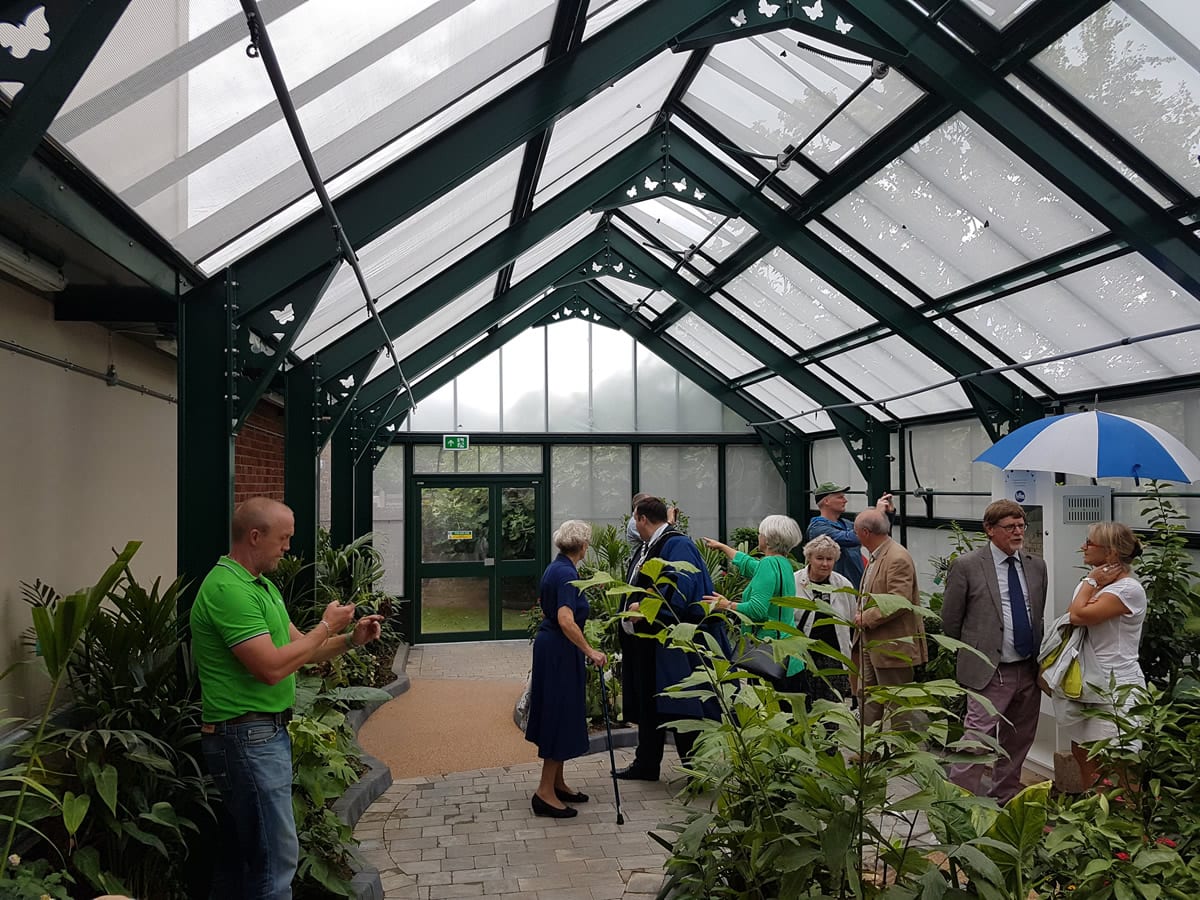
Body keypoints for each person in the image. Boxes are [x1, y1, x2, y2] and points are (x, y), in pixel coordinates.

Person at [190, 497, 384, 899]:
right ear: (255, 536)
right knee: (275, 860)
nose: (288, 548)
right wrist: (326, 625)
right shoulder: (227, 589)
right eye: (284, 538)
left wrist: (350, 639)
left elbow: (302, 651)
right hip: (245, 738)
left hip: (259, 736)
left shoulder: (261, 587)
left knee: (248, 857)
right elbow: (271, 668)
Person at [617, 496, 732, 780]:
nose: (633, 524)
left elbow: (682, 590)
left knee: (683, 705)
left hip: (674, 643)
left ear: (642, 518)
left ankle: (695, 771)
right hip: (651, 643)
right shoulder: (652, 545)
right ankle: (646, 763)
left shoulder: (676, 544)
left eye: (635, 518)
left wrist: (643, 608)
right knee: (650, 705)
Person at [941, 500, 1048, 803]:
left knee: (1019, 738)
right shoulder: (967, 565)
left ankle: (1005, 797)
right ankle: (957, 805)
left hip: (1027, 668)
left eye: (1021, 526)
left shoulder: (1036, 565)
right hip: (990, 669)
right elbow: (951, 620)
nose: (1017, 532)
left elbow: (1035, 614)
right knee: (976, 739)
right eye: (1009, 527)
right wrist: (976, 651)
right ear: (989, 530)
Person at [524, 520, 607, 818]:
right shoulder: (567, 575)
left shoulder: (556, 567)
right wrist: (591, 651)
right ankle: (544, 793)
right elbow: (565, 619)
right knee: (558, 714)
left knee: (558, 710)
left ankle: (557, 783)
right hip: (559, 650)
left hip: (553, 648)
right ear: (583, 546)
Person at [1058, 522, 1146, 788]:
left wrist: (1092, 581)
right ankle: (1094, 820)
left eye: (1089, 543)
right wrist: (1092, 582)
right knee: (1083, 754)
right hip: (1087, 682)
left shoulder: (1128, 590)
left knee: (1115, 764)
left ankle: (1126, 825)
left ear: (1110, 554)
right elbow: (1075, 612)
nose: (1083, 547)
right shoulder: (1094, 583)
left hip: (1116, 687)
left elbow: (1078, 615)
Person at [701, 515, 803, 687]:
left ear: (769, 539)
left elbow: (757, 610)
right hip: (788, 652)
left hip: (769, 656)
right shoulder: (783, 563)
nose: (758, 536)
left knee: (768, 709)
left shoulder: (768, 564)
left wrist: (727, 605)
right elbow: (750, 566)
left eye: (760, 533)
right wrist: (722, 547)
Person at [854, 509, 927, 726]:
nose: (855, 535)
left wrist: (865, 618)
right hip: (872, 642)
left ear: (865, 532)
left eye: (856, 531)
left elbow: (899, 602)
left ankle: (898, 755)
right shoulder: (879, 554)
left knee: (896, 703)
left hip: (893, 646)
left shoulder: (897, 557)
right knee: (867, 697)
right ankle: (868, 752)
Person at [793, 534, 856, 701]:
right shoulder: (794, 582)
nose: (825, 563)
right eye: (819, 558)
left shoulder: (843, 585)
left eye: (830, 559)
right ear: (809, 558)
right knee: (803, 704)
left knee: (832, 707)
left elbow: (851, 620)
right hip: (803, 655)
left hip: (834, 657)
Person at [807, 482, 895, 587]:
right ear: (826, 501)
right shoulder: (818, 529)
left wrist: (887, 513)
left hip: (856, 585)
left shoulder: (847, 524)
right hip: (836, 589)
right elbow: (853, 538)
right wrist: (877, 514)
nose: (845, 500)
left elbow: (875, 532)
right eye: (840, 497)